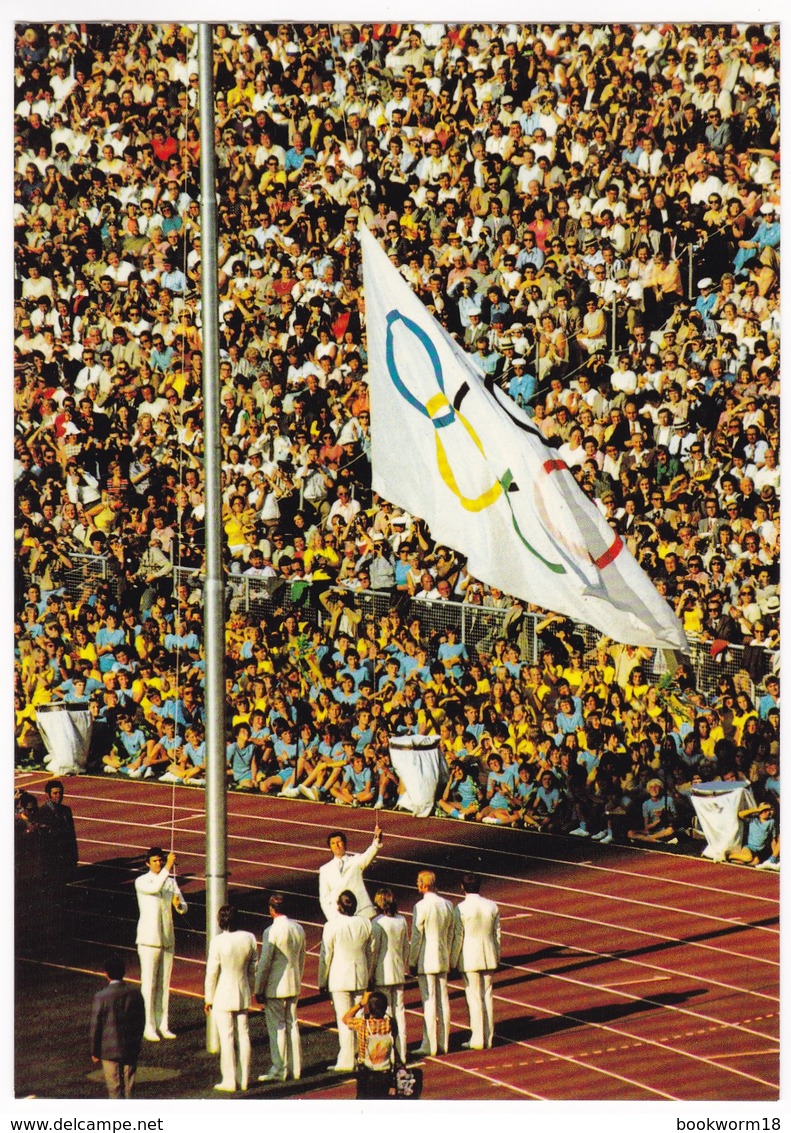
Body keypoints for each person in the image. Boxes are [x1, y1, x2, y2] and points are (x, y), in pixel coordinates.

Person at [317, 889, 374, 1073]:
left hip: (340, 977)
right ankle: (360, 1056)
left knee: (344, 1020)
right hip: (360, 975)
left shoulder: (332, 926)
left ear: (340, 906)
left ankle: (347, 1059)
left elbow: (326, 956)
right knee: (359, 1018)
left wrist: (322, 980)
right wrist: (369, 973)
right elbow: (369, 952)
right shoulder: (365, 923)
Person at [135, 847, 187, 1042]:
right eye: (155, 861)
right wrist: (168, 866)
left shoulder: (170, 882)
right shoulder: (142, 881)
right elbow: (155, 888)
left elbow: (183, 906)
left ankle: (162, 1024)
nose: (158, 864)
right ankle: (148, 1026)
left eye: (160, 860)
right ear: (147, 863)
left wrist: (178, 905)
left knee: (164, 984)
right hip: (149, 939)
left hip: (166, 937)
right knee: (149, 984)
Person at [204, 904, 258, 1092]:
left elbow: (212, 972)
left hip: (223, 994)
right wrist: (250, 988)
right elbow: (253, 968)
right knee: (243, 1035)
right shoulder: (249, 937)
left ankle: (230, 1079)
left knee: (227, 1038)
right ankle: (244, 1079)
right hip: (242, 991)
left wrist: (208, 998)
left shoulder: (217, 941)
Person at [255, 892, 306, 1082]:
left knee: (277, 1028)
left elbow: (265, 962)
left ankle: (279, 1068)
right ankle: (296, 1068)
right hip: (293, 982)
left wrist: (259, 988)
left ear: (271, 909)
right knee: (292, 1025)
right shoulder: (298, 928)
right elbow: (301, 957)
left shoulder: (271, 931)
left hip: (276, 986)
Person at [450, 873, 501, 1050]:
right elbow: (497, 935)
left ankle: (477, 1038)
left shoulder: (460, 909)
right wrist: (497, 955)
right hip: (489, 955)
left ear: (462, 887)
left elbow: (458, 937)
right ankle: (488, 1036)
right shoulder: (492, 906)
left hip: (469, 957)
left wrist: (453, 960)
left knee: (474, 998)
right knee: (487, 995)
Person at [409, 869, 455, 1057]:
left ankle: (430, 1044)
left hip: (427, 959)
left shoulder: (420, 906)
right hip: (443, 956)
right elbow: (451, 933)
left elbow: (417, 937)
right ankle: (444, 1042)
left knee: (429, 1002)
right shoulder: (448, 904)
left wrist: (412, 960)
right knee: (443, 1001)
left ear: (424, 885)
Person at [90, 953, 145, 1099]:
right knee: (129, 1087)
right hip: (130, 1047)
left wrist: (94, 1051)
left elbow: (96, 1026)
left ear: (106, 974)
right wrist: (137, 1042)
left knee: (114, 1088)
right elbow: (141, 1020)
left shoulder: (101, 996)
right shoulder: (135, 992)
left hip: (109, 1049)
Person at [370, 887, 409, 1061]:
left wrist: (370, 974)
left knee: (385, 1013)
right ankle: (402, 1051)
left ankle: (389, 1053)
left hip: (382, 972)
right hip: (398, 970)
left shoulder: (377, 923)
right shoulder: (401, 920)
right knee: (399, 1011)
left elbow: (374, 951)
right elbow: (405, 947)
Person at [318, 820, 383, 920]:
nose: (337, 845)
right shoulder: (325, 869)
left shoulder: (355, 861)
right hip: (340, 916)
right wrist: (332, 917)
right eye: (333, 843)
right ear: (330, 847)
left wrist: (376, 840)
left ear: (344, 843)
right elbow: (324, 898)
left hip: (362, 912)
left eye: (339, 842)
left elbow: (368, 855)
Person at [342, 990, 396, 1100]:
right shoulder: (391, 1023)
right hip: (385, 1074)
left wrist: (361, 1004)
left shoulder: (363, 1024)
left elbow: (345, 1018)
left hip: (366, 1074)